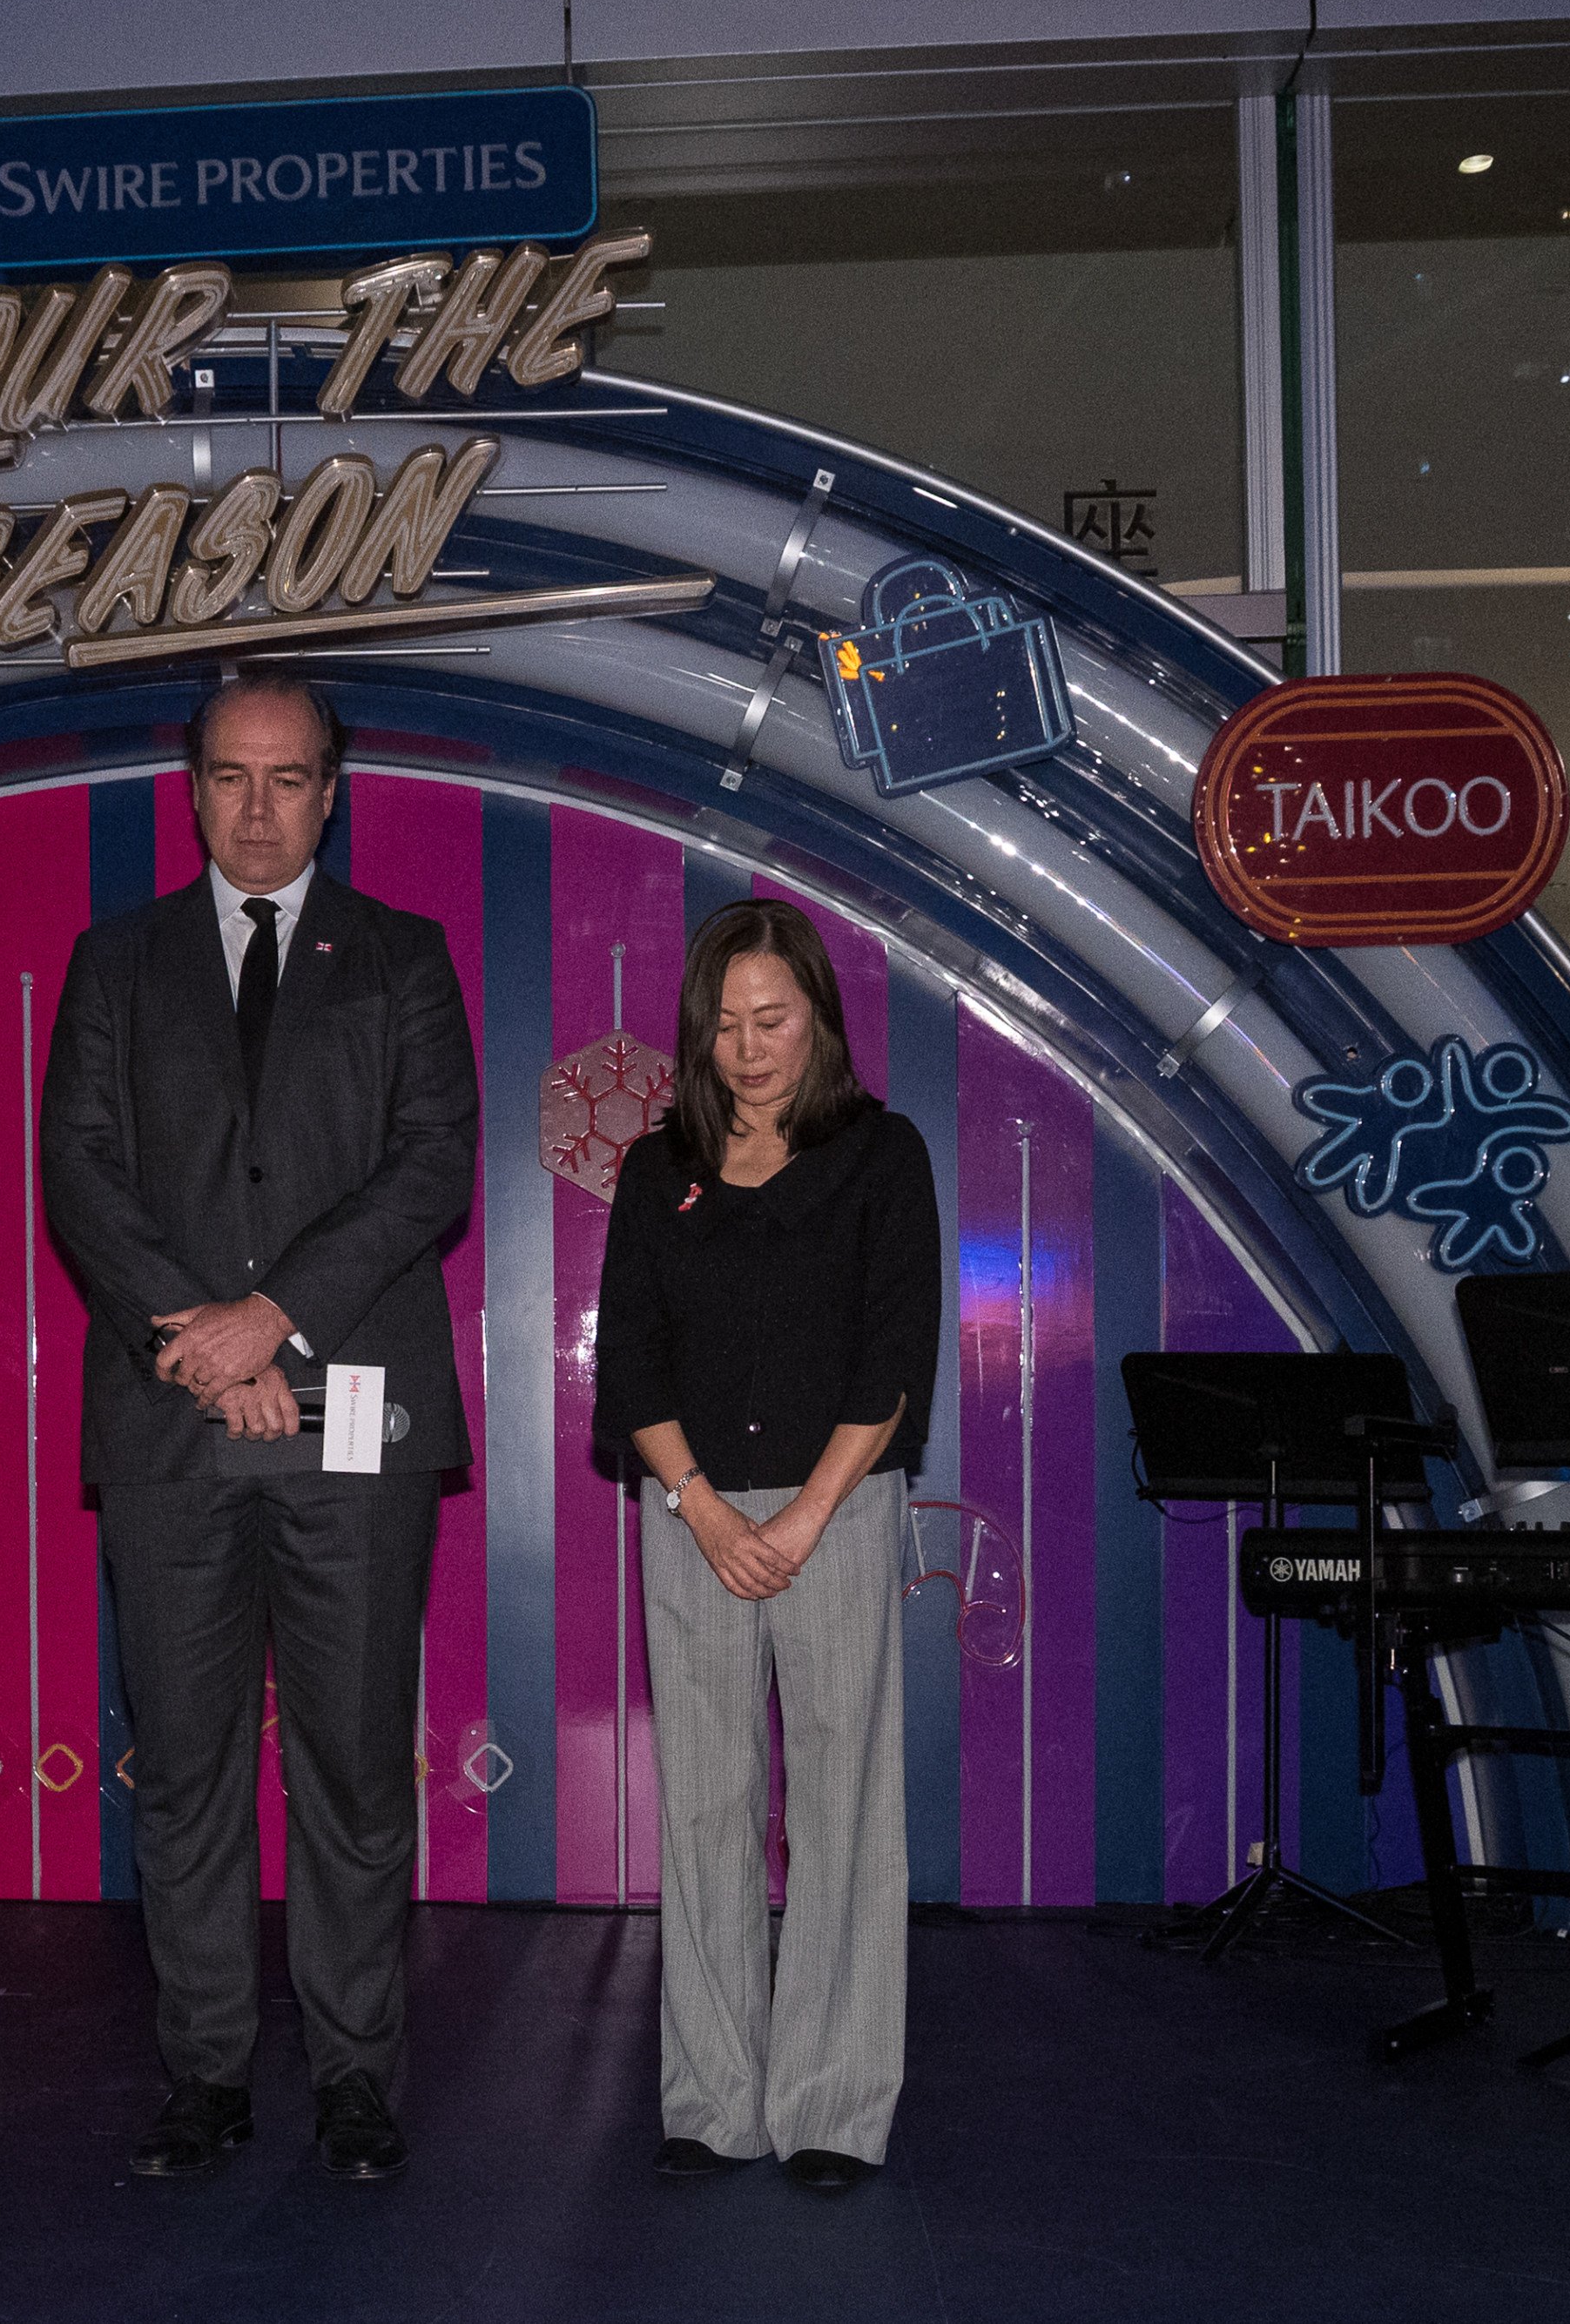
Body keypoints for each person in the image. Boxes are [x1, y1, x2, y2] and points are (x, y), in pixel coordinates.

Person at [39, 670, 478, 2181]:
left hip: (349, 1424)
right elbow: (81, 1177)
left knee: (356, 1766)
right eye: (231, 775)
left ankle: (357, 2078)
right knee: (191, 1768)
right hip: (172, 1425)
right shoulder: (115, 961)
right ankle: (206, 2074)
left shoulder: (406, 960)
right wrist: (204, 1341)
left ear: (333, 789)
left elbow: (431, 1169)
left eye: (288, 778)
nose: (257, 806)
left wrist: (269, 1315)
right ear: (193, 786)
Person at [594, 898, 941, 2192]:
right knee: (702, 1804)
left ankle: (833, 2105)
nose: (749, 1046)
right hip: (688, 1514)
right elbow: (626, 1358)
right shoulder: (655, 1165)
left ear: (819, 1019)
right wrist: (705, 1508)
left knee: (847, 1804)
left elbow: (896, 1356)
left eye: (773, 1019)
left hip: (837, 1510)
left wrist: (799, 1516)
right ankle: (711, 2096)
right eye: (727, 1023)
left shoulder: (881, 1153)